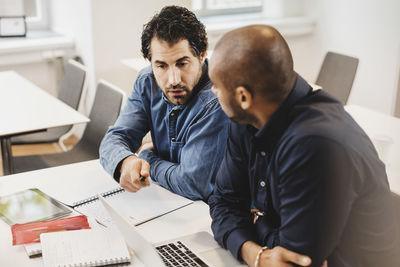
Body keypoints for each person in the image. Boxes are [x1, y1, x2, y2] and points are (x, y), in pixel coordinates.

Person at [208, 25, 400, 267]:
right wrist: (256, 254)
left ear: (244, 97)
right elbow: (223, 203)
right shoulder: (245, 119)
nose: (213, 91)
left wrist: (257, 223)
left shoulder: (315, 143)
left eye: (216, 85)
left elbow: (295, 260)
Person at [99, 6, 229, 201]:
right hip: (165, 198)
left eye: (182, 63)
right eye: (161, 66)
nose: (173, 79)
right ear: (150, 62)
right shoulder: (147, 81)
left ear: (201, 55)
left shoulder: (217, 99)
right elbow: (115, 137)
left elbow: (193, 183)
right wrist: (126, 162)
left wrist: (147, 158)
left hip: (207, 212)